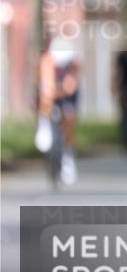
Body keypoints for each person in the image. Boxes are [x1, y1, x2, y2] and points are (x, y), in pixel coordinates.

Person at [37, 36, 80, 184]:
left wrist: (66, 86)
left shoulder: (73, 63)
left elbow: (71, 86)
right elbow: (46, 85)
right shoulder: (47, 61)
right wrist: (52, 92)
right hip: (51, 91)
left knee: (69, 115)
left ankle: (68, 156)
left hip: (67, 95)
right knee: (45, 97)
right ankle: (43, 123)